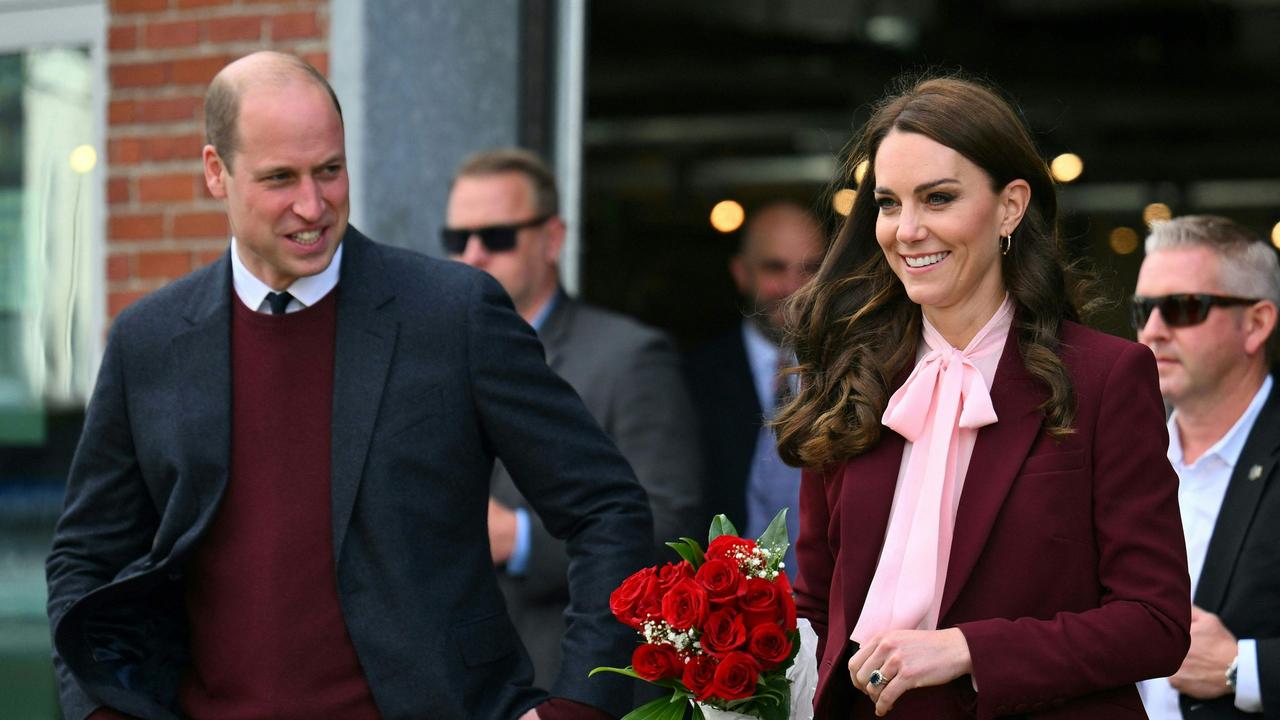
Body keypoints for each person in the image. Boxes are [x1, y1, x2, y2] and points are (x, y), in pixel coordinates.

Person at [45, 51, 652, 720]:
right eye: (280, 178)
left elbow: (607, 509)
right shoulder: (149, 340)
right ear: (216, 172)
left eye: (329, 170)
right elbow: (84, 557)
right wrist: (99, 711)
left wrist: (581, 706)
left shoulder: (453, 314)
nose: (313, 205)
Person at [774, 75, 1191, 718]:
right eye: (889, 203)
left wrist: (969, 649)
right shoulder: (850, 377)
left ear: (1010, 206)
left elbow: (1155, 622)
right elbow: (816, 605)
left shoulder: (1109, 377)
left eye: (938, 198)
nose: (907, 230)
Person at [442, 147, 702, 689]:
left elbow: (670, 528)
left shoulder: (630, 356)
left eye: (496, 237)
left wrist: (520, 540)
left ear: (552, 239)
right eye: (456, 239)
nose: (472, 255)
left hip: (567, 679)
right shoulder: (431, 357)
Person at [1132, 215, 1280, 719]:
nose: (1153, 330)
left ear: (1256, 324)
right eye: (1143, 309)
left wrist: (1247, 668)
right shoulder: (1117, 458)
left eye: (1182, 308)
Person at [685, 201, 824, 576]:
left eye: (810, 269)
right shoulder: (689, 380)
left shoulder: (854, 374)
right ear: (741, 273)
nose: (793, 287)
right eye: (775, 268)